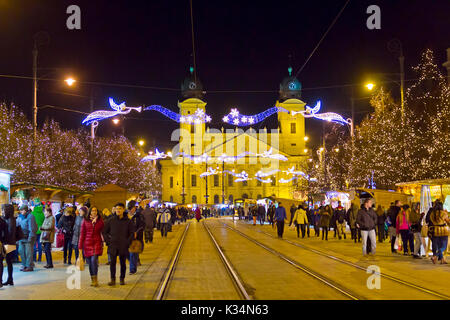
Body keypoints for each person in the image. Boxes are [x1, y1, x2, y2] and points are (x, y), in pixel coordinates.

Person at [102, 203, 134, 286]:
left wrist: (127, 242)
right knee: (112, 263)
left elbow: (132, 233)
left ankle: (122, 278)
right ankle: (112, 279)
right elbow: (104, 232)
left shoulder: (128, 221)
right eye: (116, 209)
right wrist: (108, 241)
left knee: (123, 263)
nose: (118, 210)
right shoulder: (110, 220)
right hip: (113, 245)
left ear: (123, 209)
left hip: (123, 245)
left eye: (120, 208)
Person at [79, 206, 104, 287]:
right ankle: (92, 279)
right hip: (87, 244)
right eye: (92, 210)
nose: (94, 212)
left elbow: (103, 230)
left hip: (96, 243)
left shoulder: (100, 221)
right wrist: (80, 246)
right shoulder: (85, 220)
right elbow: (82, 234)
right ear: (89, 212)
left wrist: (96, 222)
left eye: (95, 210)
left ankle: (96, 279)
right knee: (90, 263)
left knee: (94, 261)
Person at [17, 205, 37, 272]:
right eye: (20, 210)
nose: (21, 211)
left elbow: (32, 228)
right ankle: (24, 264)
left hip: (28, 237)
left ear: (25, 210)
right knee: (21, 251)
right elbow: (18, 226)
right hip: (21, 238)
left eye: (22, 210)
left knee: (28, 252)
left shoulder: (31, 216)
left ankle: (29, 266)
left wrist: (30, 237)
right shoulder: (20, 217)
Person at [127, 200, 145, 275]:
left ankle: (132, 269)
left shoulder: (139, 216)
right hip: (127, 238)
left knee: (133, 253)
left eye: (134, 207)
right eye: (131, 208)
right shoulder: (126, 216)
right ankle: (135, 262)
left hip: (136, 238)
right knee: (128, 254)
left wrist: (136, 233)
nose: (133, 209)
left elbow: (142, 226)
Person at [1, 204, 16, 286]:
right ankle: (10, 279)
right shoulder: (9, 219)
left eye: (4, 210)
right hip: (9, 243)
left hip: (9, 244)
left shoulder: (11, 220)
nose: (3, 211)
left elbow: (9, 233)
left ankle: (9, 279)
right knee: (9, 262)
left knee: (8, 262)